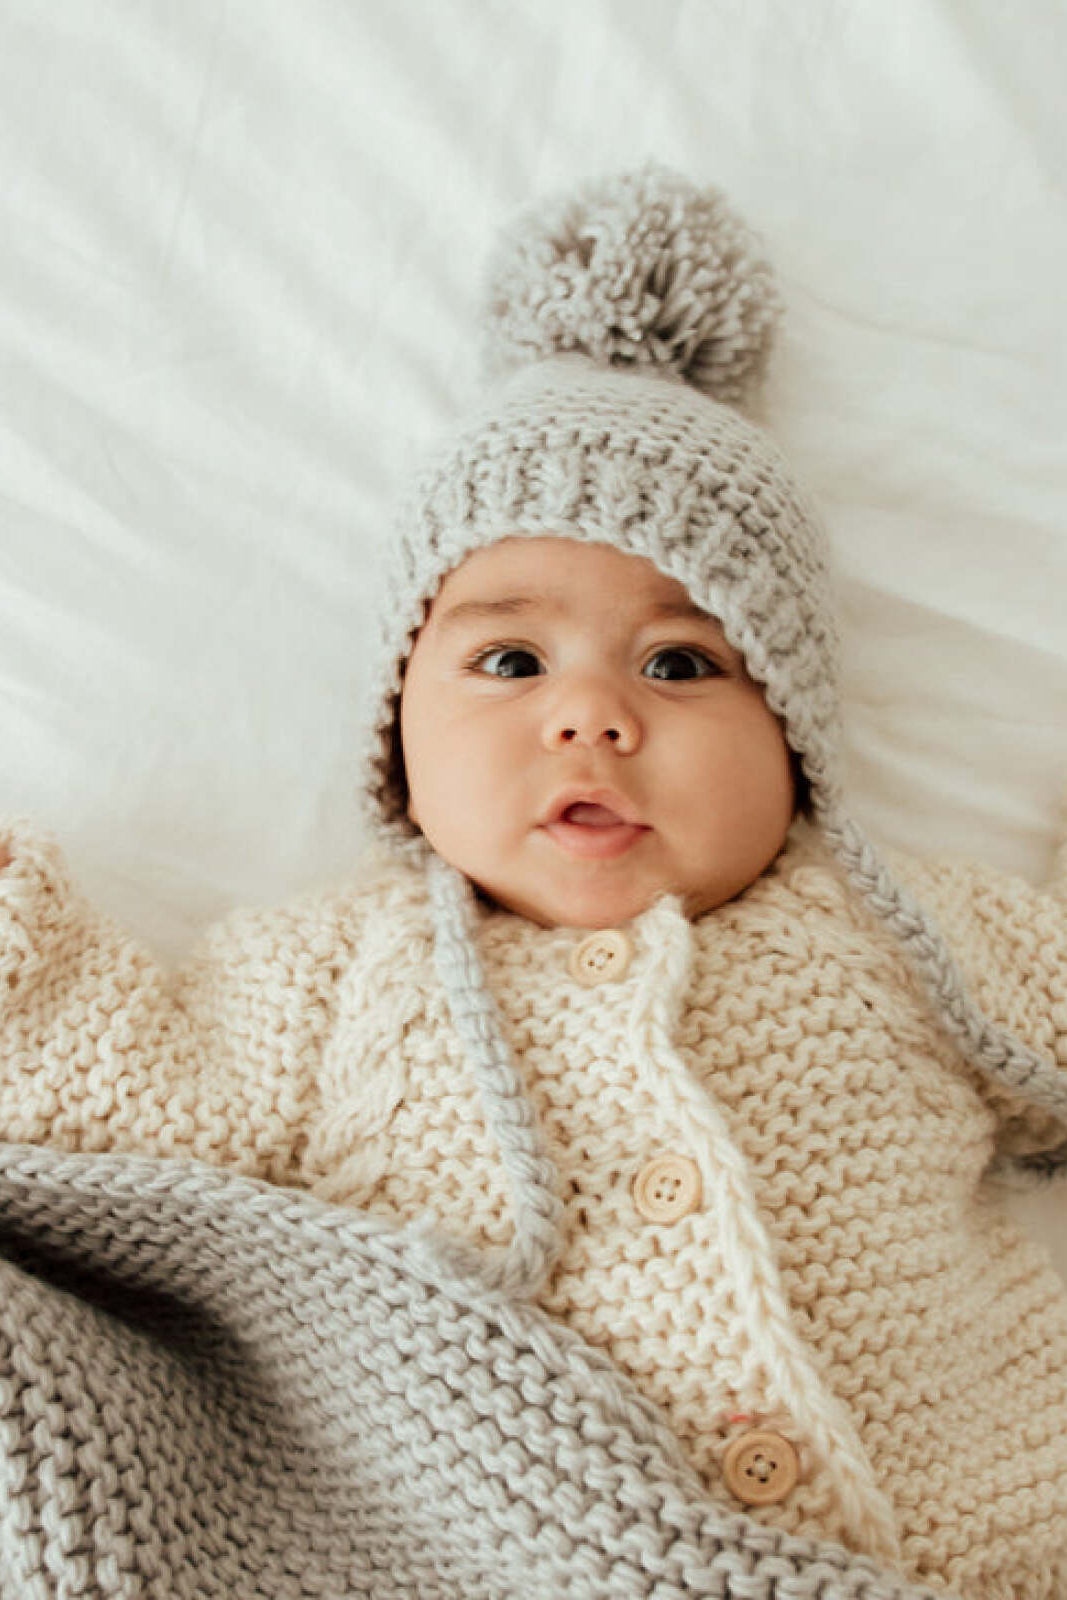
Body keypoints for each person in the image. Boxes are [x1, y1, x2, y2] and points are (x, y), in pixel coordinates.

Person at [1, 167, 1065, 1598]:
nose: (592, 717)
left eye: (681, 663)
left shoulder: (915, 933)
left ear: (796, 738)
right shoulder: (335, 973)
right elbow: (120, 1078)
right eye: (510, 662)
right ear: (399, 725)